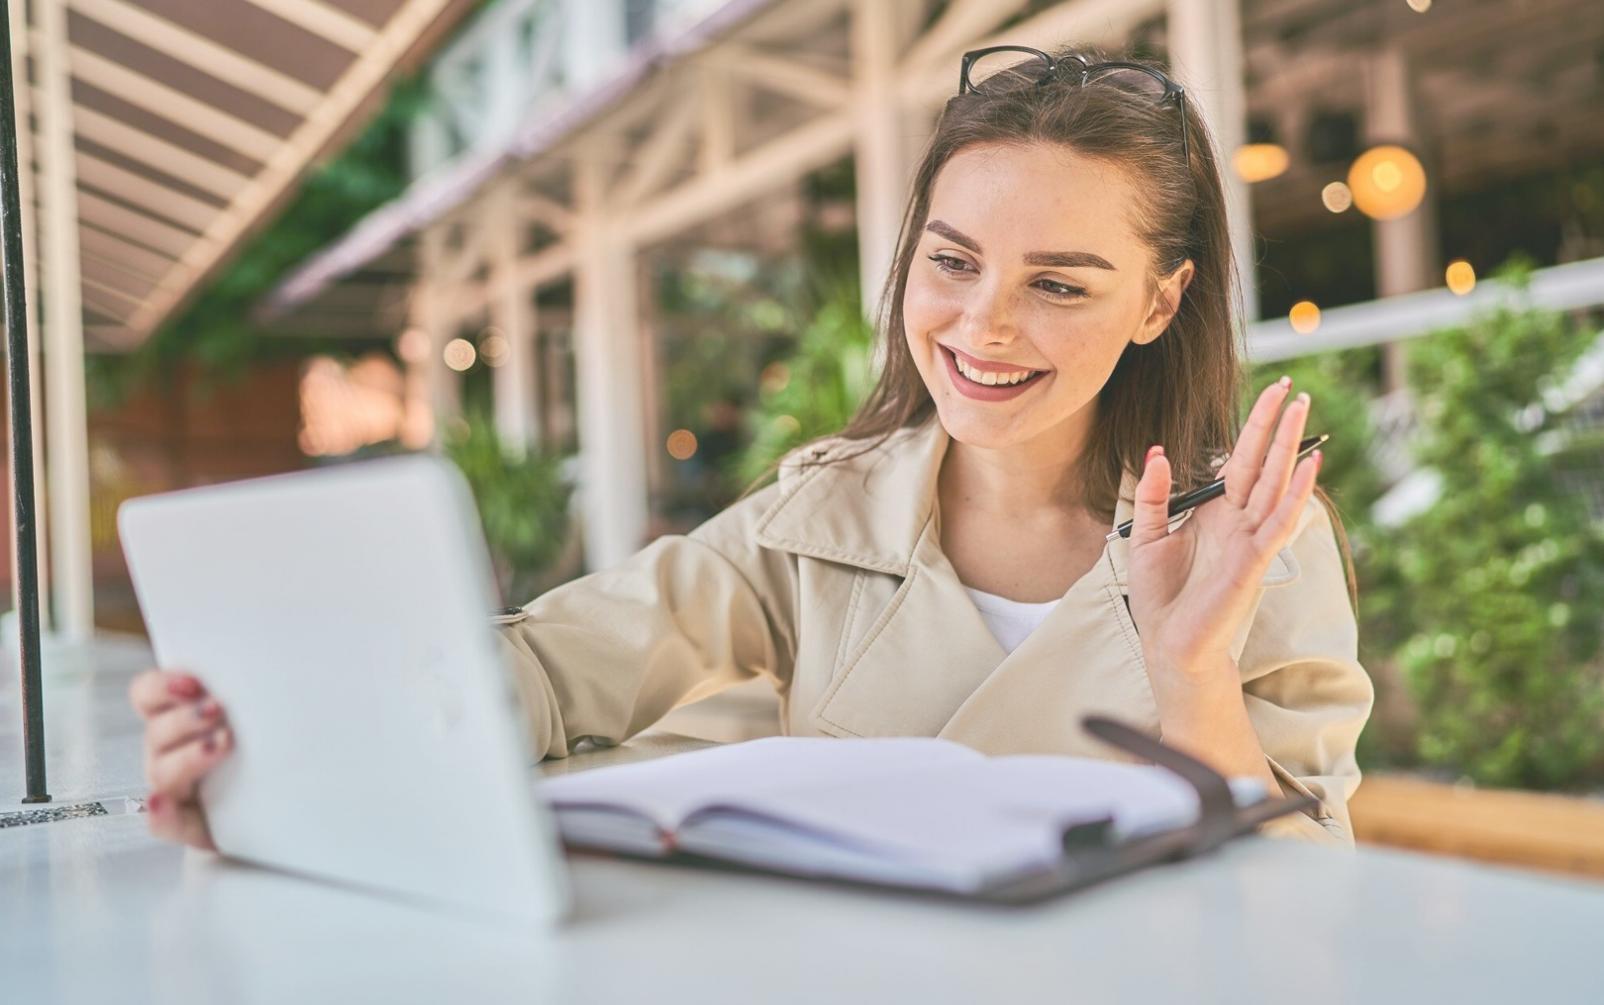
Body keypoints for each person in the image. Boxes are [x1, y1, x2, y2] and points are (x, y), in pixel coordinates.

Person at [129, 45, 1373, 852]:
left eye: (1059, 283)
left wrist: (1190, 669)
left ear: (1157, 304)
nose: (981, 326)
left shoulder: (1248, 541)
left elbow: (1304, 898)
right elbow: (553, 673)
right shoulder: (821, 520)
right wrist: (284, 746)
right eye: (950, 262)